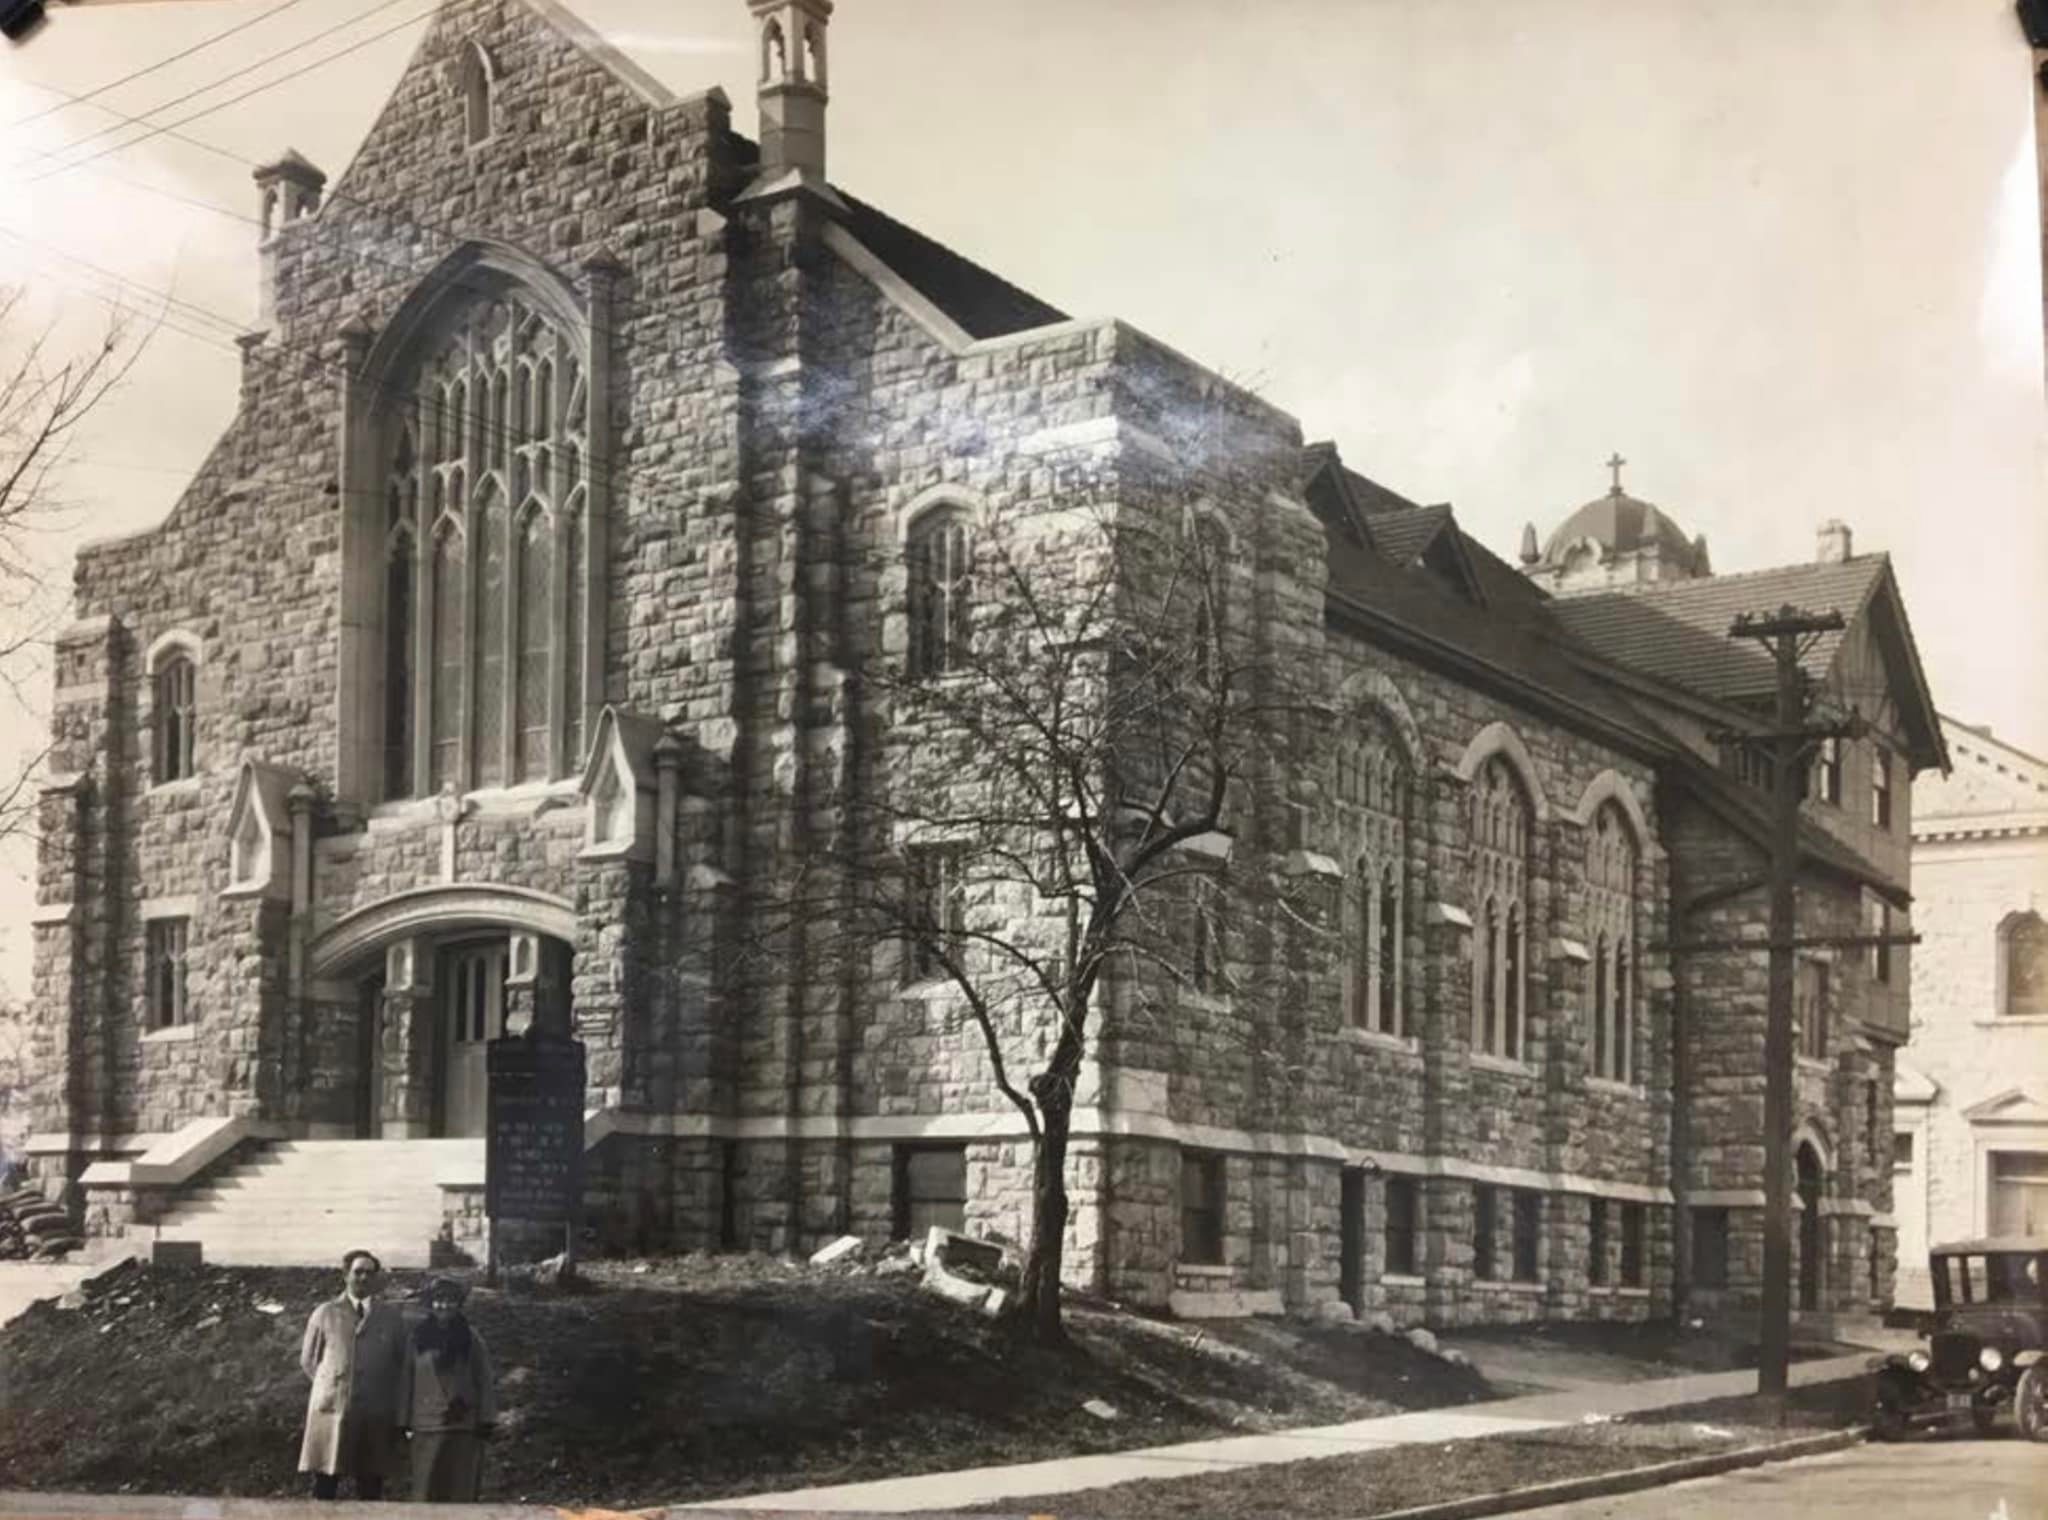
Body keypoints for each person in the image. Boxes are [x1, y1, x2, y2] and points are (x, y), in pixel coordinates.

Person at [298, 1248, 410, 1501]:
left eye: (370, 1273)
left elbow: (400, 1363)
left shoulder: (391, 1317)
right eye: (358, 1272)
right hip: (333, 1410)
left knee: (370, 1486)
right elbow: (309, 1360)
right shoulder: (325, 1313)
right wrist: (334, 1385)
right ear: (345, 1275)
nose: (363, 1278)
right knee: (325, 1484)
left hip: (375, 1413)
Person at [399, 1275, 497, 1502]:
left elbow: (483, 1379)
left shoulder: (471, 1338)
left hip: (463, 1426)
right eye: (439, 1300)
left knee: (461, 1492)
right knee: (426, 1490)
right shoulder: (417, 1338)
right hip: (426, 1426)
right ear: (431, 1303)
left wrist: (486, 1419)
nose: (444, 1306)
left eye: (450, 1301)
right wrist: (402, 1422)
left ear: (459, 1304)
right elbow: (407, 1379)